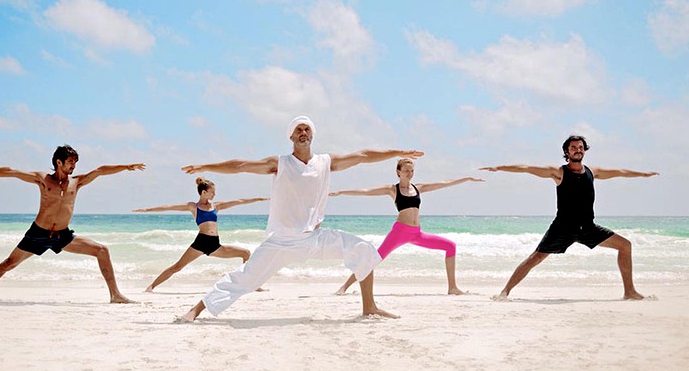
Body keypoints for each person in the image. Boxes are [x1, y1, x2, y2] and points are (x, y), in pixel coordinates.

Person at [178, 115, 424, 322]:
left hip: (314, 237)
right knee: (244, 278)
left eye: (307, 129)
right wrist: (206, 166)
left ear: (312, 135)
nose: (303, 132)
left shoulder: (325, 162)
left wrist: (398, 152)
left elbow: (363, 155)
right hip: (281, 241)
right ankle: (196, 310)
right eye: (298, 129)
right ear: (291, 137)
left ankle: (369, 307)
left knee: (364, 250)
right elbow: (241, 165)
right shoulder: (280, 163)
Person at [0, 145, 145, 303]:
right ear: (59, 162)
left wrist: (125, 167)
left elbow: (100, 171)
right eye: (70, 162)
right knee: (9, 263)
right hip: (38, 233)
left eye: (75, 162)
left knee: (101, 250)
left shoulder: (76, 182)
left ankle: (115, 295)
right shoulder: (43, 179)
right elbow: (11, 171)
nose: (74, 166)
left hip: (61, 236)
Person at [480, 135, 658, 300]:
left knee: (625, 246)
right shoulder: (559, 172)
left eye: (580, 147)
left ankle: (630, 292)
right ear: (567, 152)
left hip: (588, 227)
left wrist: (642, 174)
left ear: (584, 150)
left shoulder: (592, 172)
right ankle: (505, 292)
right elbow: (526, 168)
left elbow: (619, 172)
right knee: (535, 258)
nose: (577, 150)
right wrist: (499, 168)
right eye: (573, 147)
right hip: (563, 228)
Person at [330, 158, 483, 295]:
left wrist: (466, 178)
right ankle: (344, 287)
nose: (410, 173)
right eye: (406, 171)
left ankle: (452, 288)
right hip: (399, 232)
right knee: (375, 258)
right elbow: (366, 191)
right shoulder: (392, 189)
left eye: (412, 171)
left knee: (450, 246)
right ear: (398, 172)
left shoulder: (418, 188)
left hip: (417, 233)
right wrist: (341, 192)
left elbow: (444, 183)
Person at [133, 177, 267, 292]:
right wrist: (146, 209)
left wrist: (259, 199)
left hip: (215, 244)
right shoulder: (193, 206)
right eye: (212, 192)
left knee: (245, 253)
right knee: (177, 267)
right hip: (201, 243)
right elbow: (168, 207)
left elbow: (239, 201)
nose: (214, 195)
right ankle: (151, 287)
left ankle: (250, 284)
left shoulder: (216, 206)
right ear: (204, 192)